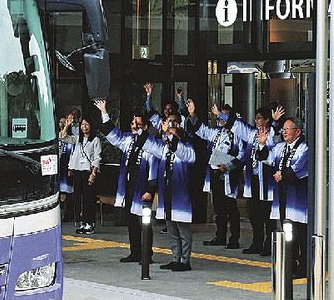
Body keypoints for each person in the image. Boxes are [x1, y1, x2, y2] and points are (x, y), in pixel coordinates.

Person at [95, 99, 159, 264]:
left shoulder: (151, 144)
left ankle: (147, 254)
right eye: (132, 123)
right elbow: (113, 135)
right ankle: (135, 252)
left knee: (144, 222)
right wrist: (104, 111)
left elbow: (153, 167)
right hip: (129, 186)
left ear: (145, 127)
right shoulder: (128, 140)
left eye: (137, 124)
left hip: (143, 188)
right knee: (131, 220)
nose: (133, 126)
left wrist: (150, 190)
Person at [186, 100, 248, 249]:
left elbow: (242, 155)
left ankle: (234, 238)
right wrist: (192, 113)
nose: (221, 119)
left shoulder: (237, 135)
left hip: (228, 175)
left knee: (231, 208)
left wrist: (228, 166)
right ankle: (220, 236)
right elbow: (201, 130)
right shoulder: (216, 132)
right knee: (218, 207)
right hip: (214, 173)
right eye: (219, 116)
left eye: (224, 116)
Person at [255, 117, 310, 277]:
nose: (284, 132)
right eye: (283, 129)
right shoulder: (281, 147)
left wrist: (283, 175)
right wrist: (262, 144)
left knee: (301, 233)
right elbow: (267, 158)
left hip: (298, 198)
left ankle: (304, 266)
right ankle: (290, 265)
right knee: (287, 232)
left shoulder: (304, 148)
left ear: (297, 132)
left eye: (288, 129)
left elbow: (300, 169)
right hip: (282, 196)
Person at [142, 111, 197, 271]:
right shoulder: (164, 147)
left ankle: (185, 261)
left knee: (183, 229)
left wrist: (168, 134)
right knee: (171, 228)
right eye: (168, 123)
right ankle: (175, 258)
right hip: (167, 192)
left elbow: (185, 154)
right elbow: (150, 145)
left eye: (173, 123)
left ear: (179, 125)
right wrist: (141, 128)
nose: (170, 126)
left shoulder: (187, 145)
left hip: (181, 193)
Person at [234, 105, 285, 255]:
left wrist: (275, 123)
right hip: (253, 179)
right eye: (256, 118)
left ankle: (269, 245)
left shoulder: (274, 133)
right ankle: (256, 243)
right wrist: (219, 114)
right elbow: (235, 126)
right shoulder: (252, 134)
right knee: (254, 215)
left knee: (267, 215)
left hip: (268, 182)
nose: (257, 121)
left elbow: (277, 139)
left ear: (267, 119)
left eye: (260, 118)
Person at [60, 115, 102, 235]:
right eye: (82, 124)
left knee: (89, 198)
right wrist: (67, 125)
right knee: (78, 197)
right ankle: (82, 222)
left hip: (88, 171)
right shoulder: (77, 139)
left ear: (91, 126)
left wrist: (93, 174)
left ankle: (90, 223)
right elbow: (63, 137)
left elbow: (97, 157)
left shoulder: (95, 140)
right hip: (77, 171)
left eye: (87, 124)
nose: (84, 127)